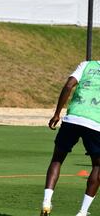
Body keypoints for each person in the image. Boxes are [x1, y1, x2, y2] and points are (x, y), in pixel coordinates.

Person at [40, 60, 100, 216]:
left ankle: (46, 202)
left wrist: (57, 113)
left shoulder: (86, 65)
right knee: (97, 167)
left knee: (57, 159)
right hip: (95, 124)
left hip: (72, 118)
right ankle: (82, 212)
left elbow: (68, 86)